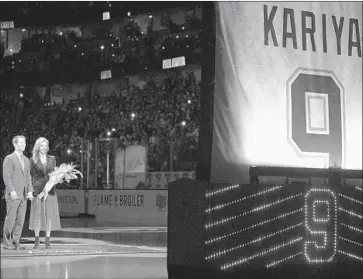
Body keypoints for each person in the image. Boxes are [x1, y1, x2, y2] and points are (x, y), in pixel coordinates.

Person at [2, 135, 34, 250]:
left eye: (24, 143)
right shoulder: (9, 159)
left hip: (24, 195)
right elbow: (6, 176)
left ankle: (16, 241)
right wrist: (11, 191)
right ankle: (6, 243)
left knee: (20, 220)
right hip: (13, 195)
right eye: (21, 143)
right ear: (15, 144)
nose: (23, 145)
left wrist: (30, 191)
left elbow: (28, 177)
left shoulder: (26, 160)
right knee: (10, 219)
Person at [29, 137, 61, 249]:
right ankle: (37, 240)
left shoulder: (52, 159)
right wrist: (31, 190)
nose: (44, 147)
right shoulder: (32, 160)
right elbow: (30, 176)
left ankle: (48, 240)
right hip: (38, 191)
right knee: (37, 216)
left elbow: (55, 174)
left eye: (46, 145)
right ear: (38, 147)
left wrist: (52, 182)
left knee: (49, 216)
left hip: (50, 190)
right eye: (42, 145)